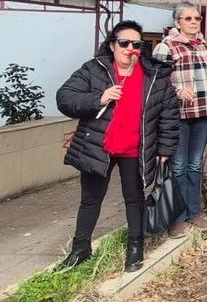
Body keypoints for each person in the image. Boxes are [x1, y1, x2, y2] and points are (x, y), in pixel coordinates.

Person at [57, 20, 179, 272]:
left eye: (136, 44)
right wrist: (98, 98)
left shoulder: (154, 76)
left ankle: (136, 248)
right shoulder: (95, 69)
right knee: (90, 200)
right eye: (124, 43)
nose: (130, 49)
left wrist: (165, 149)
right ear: (112, 45)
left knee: (134, 199)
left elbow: (168, 113)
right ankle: (80, 249)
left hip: (135, 148)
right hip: (99, 146)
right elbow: (65, 98)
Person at [153, 2, 207, 237]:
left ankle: (194, 213)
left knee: (195, 166)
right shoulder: (166, 47)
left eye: (197, 18)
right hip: (178, 116)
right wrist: (176, 90)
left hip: (204, 113)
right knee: (179, 166)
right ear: (177, 22)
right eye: (188, 18)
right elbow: (155, 81)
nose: (194, 22)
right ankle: (177, 217)